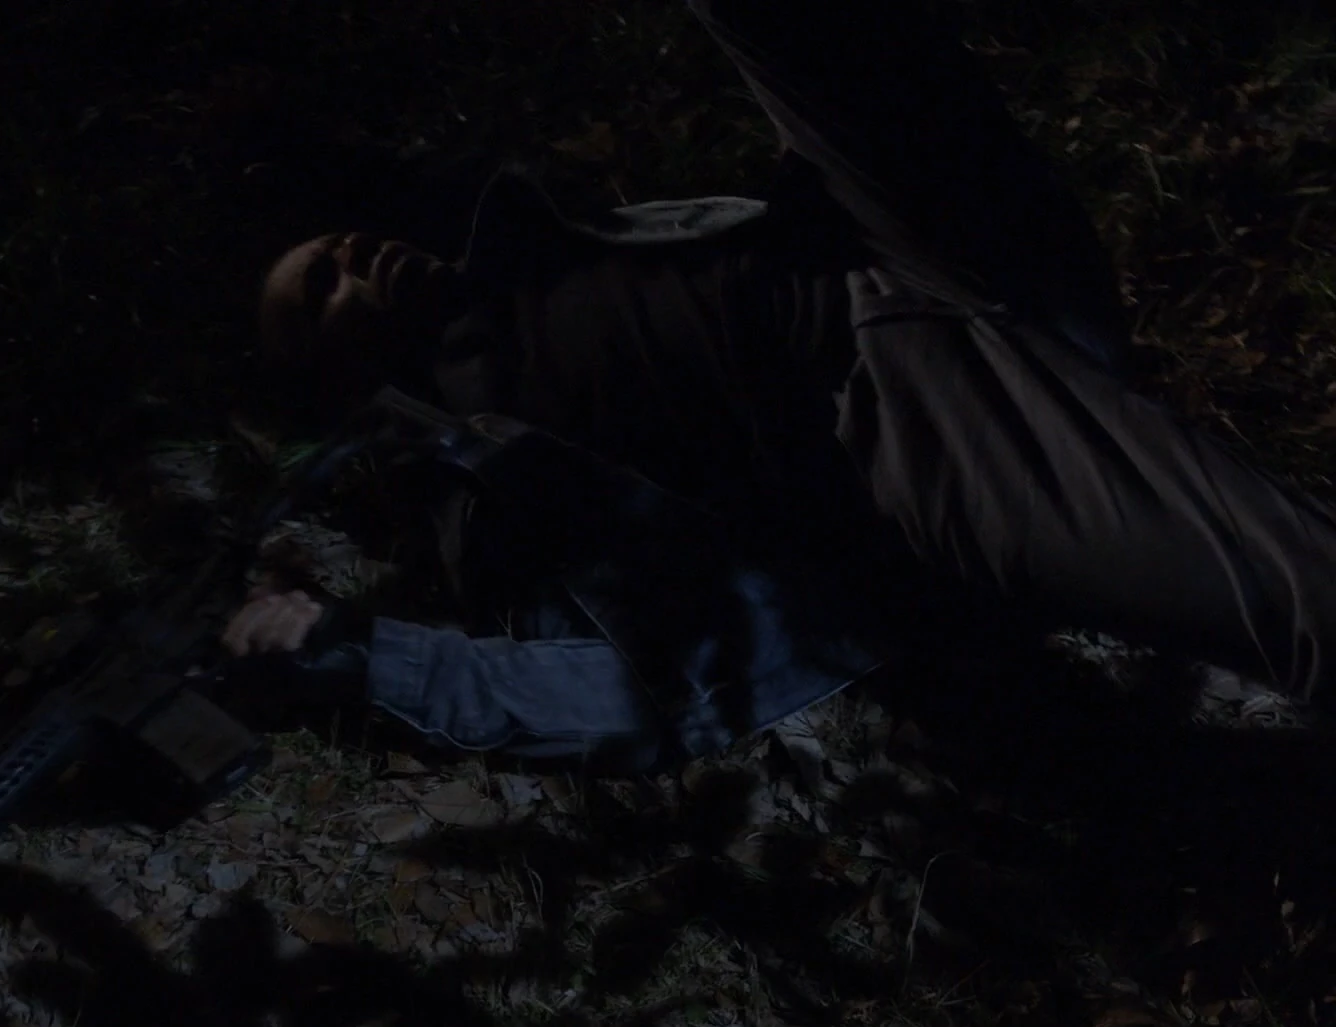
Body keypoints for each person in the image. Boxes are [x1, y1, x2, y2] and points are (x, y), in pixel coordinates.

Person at [220, 0, 1336, 770]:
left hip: (888, 237)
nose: (348, 256)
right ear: (341, 376)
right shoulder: (489, 479)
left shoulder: (524, 247)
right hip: (906, 424)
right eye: (318, 287)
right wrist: (364, 653)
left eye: (336, 244)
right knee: (1296, 595)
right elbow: (640, 690)